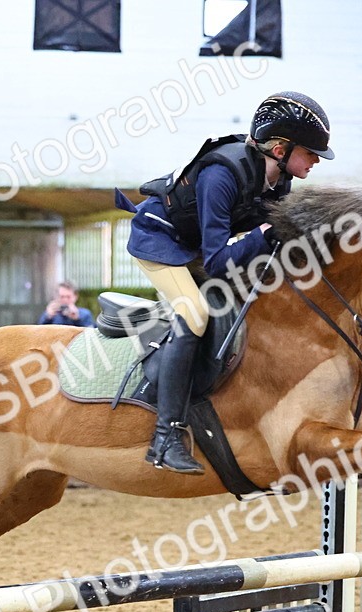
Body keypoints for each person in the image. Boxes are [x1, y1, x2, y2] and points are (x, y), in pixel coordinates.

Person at [124, 91, 333, 474]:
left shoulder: (278, 180)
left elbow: (267, 245)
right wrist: (265, 234)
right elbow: (220, 261)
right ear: (281, 148)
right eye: (311, 152)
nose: (317, 161)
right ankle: (165, 436)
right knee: (196, 315)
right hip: (160, 243)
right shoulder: (221, 175)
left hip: (197, 249)